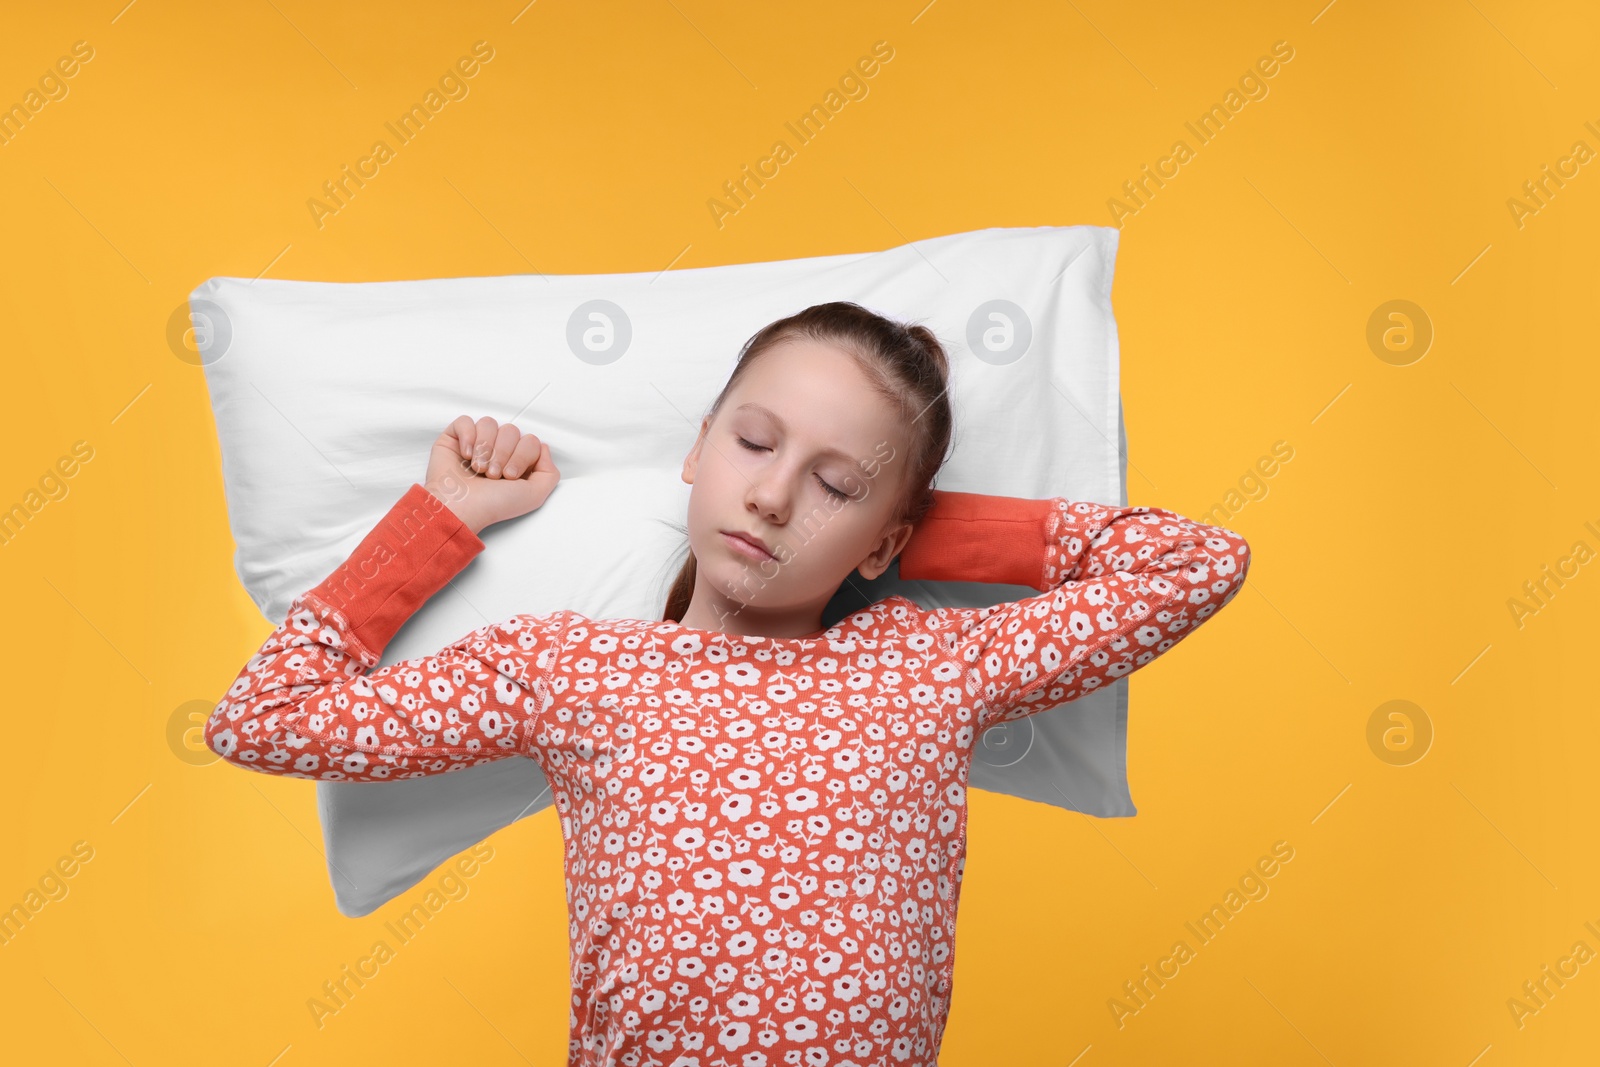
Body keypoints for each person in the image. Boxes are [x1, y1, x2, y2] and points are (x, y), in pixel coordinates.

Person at [206, 301, 1252, 1067]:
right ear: (697, 451)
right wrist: (442, 518)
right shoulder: (576, 669)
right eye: (753, 442)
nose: (773, 492)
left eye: (835, 482)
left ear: (889, 536)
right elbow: (266, 717)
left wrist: (915, 529)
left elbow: (1195, 561)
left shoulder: (927, 663)